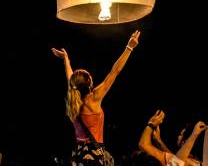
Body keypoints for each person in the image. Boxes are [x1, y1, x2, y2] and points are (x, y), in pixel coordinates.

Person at [52, 29, 141, 166]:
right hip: (93, 155)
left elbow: (69, 77)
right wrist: (129, 47)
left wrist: (66, 59)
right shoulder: (94, 98)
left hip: (79, 153)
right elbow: (115, 71)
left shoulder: (73, 97)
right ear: (90, 82)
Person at [138, 110, 206, 166]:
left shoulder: (187, 163)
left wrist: (151, 124)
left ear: (184, 142)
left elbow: (143, 145)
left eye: (181, 135)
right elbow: (175, 158)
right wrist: (158, 140)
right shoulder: (198, 162)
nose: (178, 136)